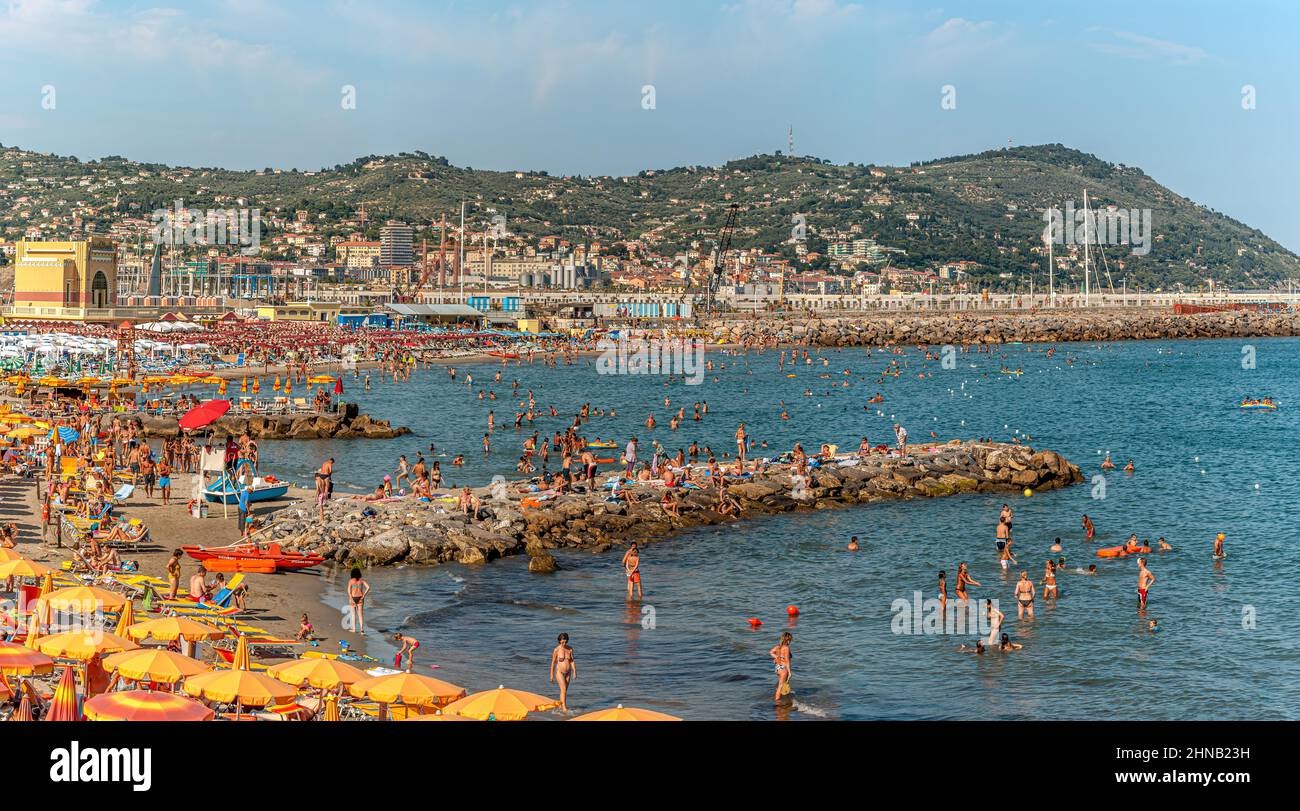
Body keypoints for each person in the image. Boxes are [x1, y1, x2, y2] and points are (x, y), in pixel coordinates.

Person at [549, 632, 576, 713]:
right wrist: (551, 675)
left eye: (565, 641)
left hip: (568, 673)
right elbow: (553, 662)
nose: (564, 643)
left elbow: (572, 661)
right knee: (563, 689)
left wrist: (574, 671)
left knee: (564, 691)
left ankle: (561, 705)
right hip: (559, 672)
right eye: (562, 641)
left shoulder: (570, 649)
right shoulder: (556, 650)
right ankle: (564, 707)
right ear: (559, 641)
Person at [769, 631, 793, 703]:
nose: (790, 642)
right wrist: (789, 672)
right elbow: (787, 661)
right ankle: (777, 702)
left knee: (780, 685)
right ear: (787, 640)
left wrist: (777, 657)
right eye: (790, 640)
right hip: (783, 668)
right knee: (781, 686)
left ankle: (782, 699)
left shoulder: (778, 647)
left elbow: (771, 652)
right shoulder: (786, 648)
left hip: (778, 668)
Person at [347, 567, 370, 634]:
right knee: (360, 615)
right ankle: (362, 630)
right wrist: (364, 595)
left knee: (353, 614)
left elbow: (349, 591)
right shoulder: (361, 581)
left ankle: (354, 629)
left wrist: (351, 598)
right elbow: (368, 587)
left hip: (353, 597)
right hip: (360, 598)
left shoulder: (351, 581)